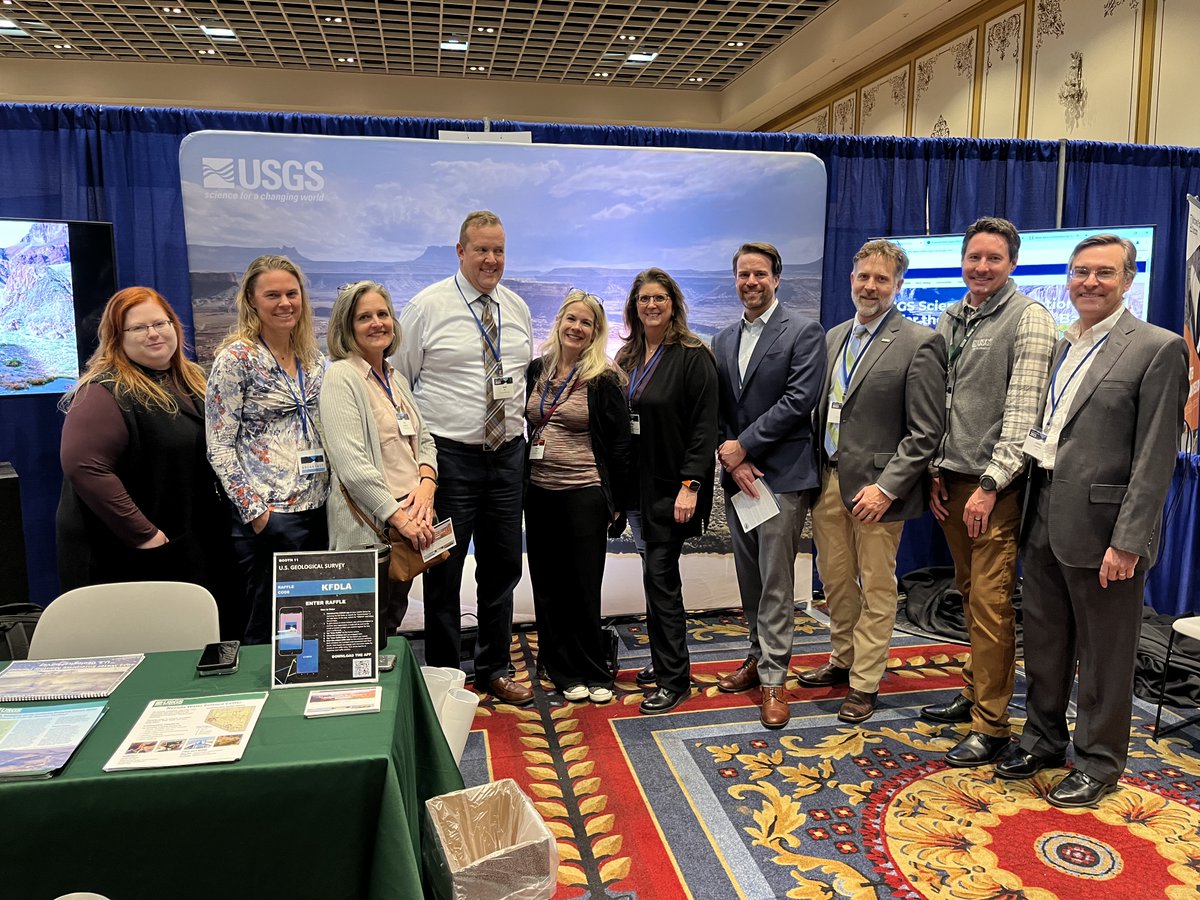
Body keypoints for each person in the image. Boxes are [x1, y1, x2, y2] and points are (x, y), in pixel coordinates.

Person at [994, 234, 1187, 807]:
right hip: (1046, 513)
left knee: (1105, 652)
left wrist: (1128, 541)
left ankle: (1100, 762)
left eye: (1104, 273)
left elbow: (1156, 459)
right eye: (1081, 272)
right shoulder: (1064, 342)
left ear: (1128, 280)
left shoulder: (1158, 347)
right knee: (1047, 641)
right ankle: (1043, 738)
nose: (1090, 283)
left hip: (1107, 532)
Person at [922, 217, 1056, 766]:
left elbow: (1024, 416)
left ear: (1013, 264)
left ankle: (992, 725)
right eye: (974, 258)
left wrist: (988, 485)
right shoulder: (954, 316)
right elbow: (938, 401)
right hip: (950, 481)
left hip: (994, 487)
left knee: (991, 604)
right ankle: (975, 689)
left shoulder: (1031, 319)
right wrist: (933, 468)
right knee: (968, 589)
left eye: (993, 259)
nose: (981, 267)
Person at [799, 240, 946, 723]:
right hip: (828, 481)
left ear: (898, 286)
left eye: (882, 279)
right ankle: (843, 660)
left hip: (879, 493)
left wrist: (887, 487)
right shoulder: (832, 337)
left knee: (877, 586)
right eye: (864, 276)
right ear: (851, 279)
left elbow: (926, 432)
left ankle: (865, 681)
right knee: (836, 580)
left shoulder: (919, 342)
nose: (870, 286)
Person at [393, 211, 535, 705]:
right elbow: (398, 386)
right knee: (443, 567)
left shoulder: (516, 308)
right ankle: (445, 674)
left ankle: (495, 665)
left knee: (502, 566)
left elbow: (520, 384)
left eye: (498, 250)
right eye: (481, 249)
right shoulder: (426, 308)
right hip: (449, 460)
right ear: (460, 251)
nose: (491, 259)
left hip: (506, 457)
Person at [56, 287, 233, 626]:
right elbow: (85, 468)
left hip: (187, 546)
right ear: (115, 337)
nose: (153, 334)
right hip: (129, 557)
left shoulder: (194, 379)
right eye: (138, 328)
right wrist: (145, 535)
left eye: (160, 323)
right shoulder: (103, 390)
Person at [712, 242, 825, 729]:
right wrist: (731, 456)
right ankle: (757, 657)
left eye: (760, 274)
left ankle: (776, 677)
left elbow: (799, 401)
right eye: (743, 274)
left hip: (780, 477)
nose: (751, 282)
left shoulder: (804, 332)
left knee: (777, 581)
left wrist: (746, 449)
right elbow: (717, 409)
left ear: (776, 278)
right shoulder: (721, 339)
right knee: (750, 578)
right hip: (740, 478)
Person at [206, 255, 329, 645]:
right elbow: (219, 446)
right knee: (265, 627)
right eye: (272, 294)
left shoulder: (313, 358)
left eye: (292, 293)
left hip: (317, 509)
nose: (285, 303)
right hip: (267, 516)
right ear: (252, 301)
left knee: (308, 623)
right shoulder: (236, 359)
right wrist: (257, 514)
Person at [615, 268, 719, 715]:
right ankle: (664, 662)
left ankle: (674, 680)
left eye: (659, 298)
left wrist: (690, 486)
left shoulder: (693, 356)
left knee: (661, 580)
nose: (651, 306)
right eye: (643, 299)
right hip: (636, 491)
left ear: (673, 303)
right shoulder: (627, 356)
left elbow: (703, 428)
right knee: (654, 577)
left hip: (672, 490)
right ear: (634, 306)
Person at [524, 290, 632, 704]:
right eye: (572, 319)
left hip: (584, 492)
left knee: (583, 586)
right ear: (559, 321)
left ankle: (593, 669)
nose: (577, 327)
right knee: (548, 585)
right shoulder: (539, 370)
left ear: (596, 332)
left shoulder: (603, 378)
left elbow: (620, 445)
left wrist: (615, 502)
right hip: (540, 492)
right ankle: (562, 668)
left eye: (586, 323)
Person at [319, 281, 437, 637]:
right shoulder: (342, 378)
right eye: (363, 317)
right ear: (346, 327)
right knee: (360, 634)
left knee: (389, 620)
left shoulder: (393, 376)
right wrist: (401, 519)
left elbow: (426, 440)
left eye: (382, 314)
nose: (377, 323)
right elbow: (353, 468)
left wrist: (426, 486)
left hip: (406, 522)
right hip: (373, 527)